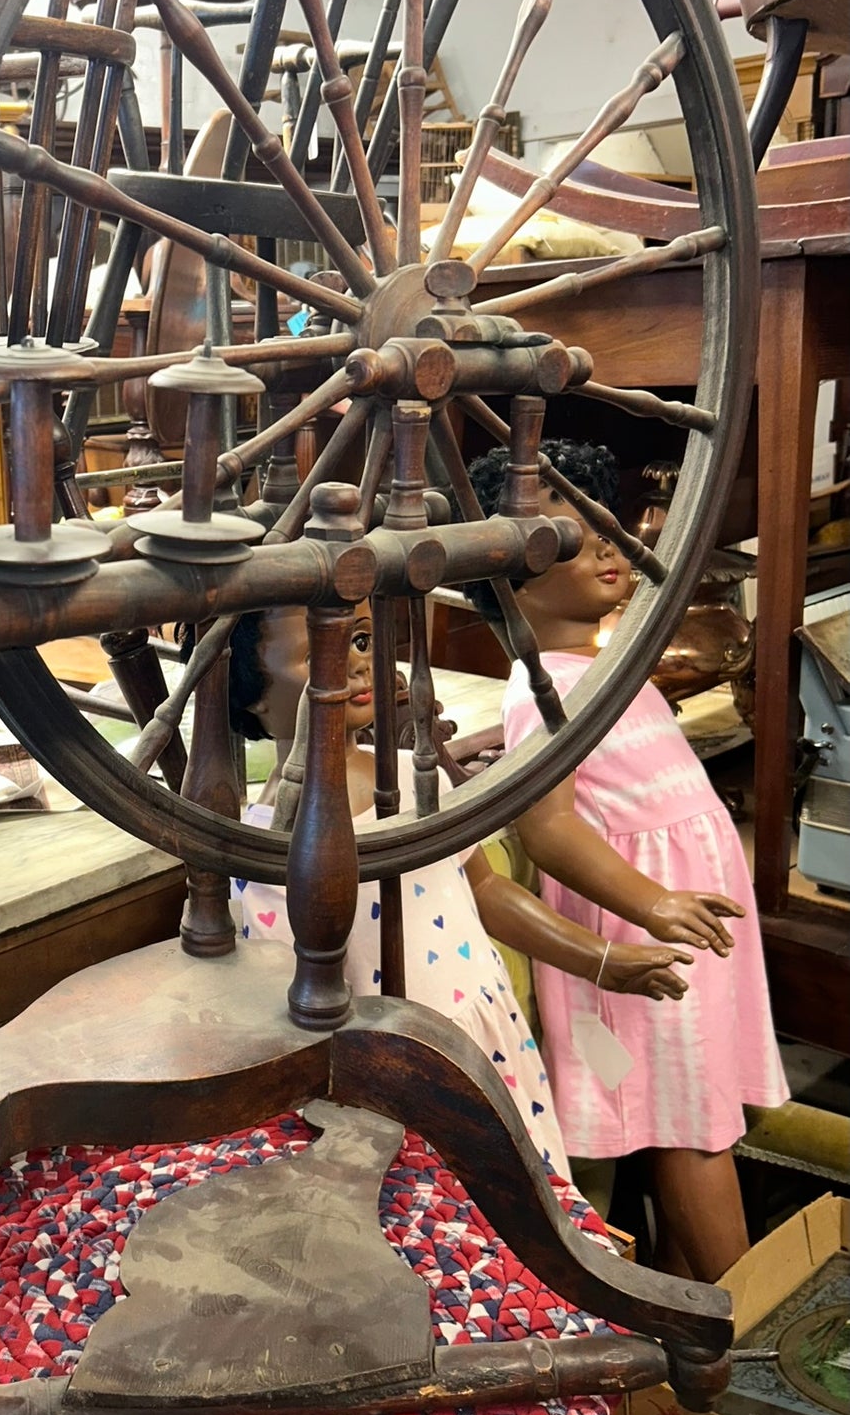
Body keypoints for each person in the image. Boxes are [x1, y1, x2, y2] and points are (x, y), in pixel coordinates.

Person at [466, 438, 788, 1280]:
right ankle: (739, 1319)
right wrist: (650, 903)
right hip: (643, 937)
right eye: (575, 540)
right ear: (514, 575)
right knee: (689, 1125)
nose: (608, 548)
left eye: (605, 530)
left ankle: (691, 1301)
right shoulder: (547, 691)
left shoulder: (604, 669)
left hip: (688, 926)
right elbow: (550, 829)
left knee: (703, 1108)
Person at [224, 604, 695, 1176]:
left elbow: (486, 889)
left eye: (366, 641)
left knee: (519, 1209)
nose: (355, 665)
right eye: (318, 653)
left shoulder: (418, 777)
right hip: (386, 1073)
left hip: (482, 1036)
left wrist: (600, 959)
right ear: (250, 692)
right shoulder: (263, 844)